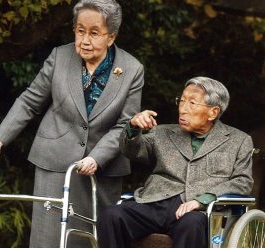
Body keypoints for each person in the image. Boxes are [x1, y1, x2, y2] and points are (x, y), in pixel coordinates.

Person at [0, 0, 144, 247]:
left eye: (94, 33)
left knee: (92, 240)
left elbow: (125, 123)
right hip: (54, 162)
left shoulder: (132, 69)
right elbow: (29, 101)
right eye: (79, 31)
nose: (84, 40)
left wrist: (97, 158)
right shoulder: (59, 57)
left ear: (111, 36)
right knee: (48, 240)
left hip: (102, 169)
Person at [98, 76, 254, 248]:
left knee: (192, 223)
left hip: (198, 209)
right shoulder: (163, 132)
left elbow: (242, 182)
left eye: (192, 103)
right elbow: (132, 151)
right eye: (182, 101)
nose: (183, 109)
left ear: (213, 112)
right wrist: (133, 127)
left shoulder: (238, 140)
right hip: (155, 202)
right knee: (112, 215)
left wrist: (202, 200)